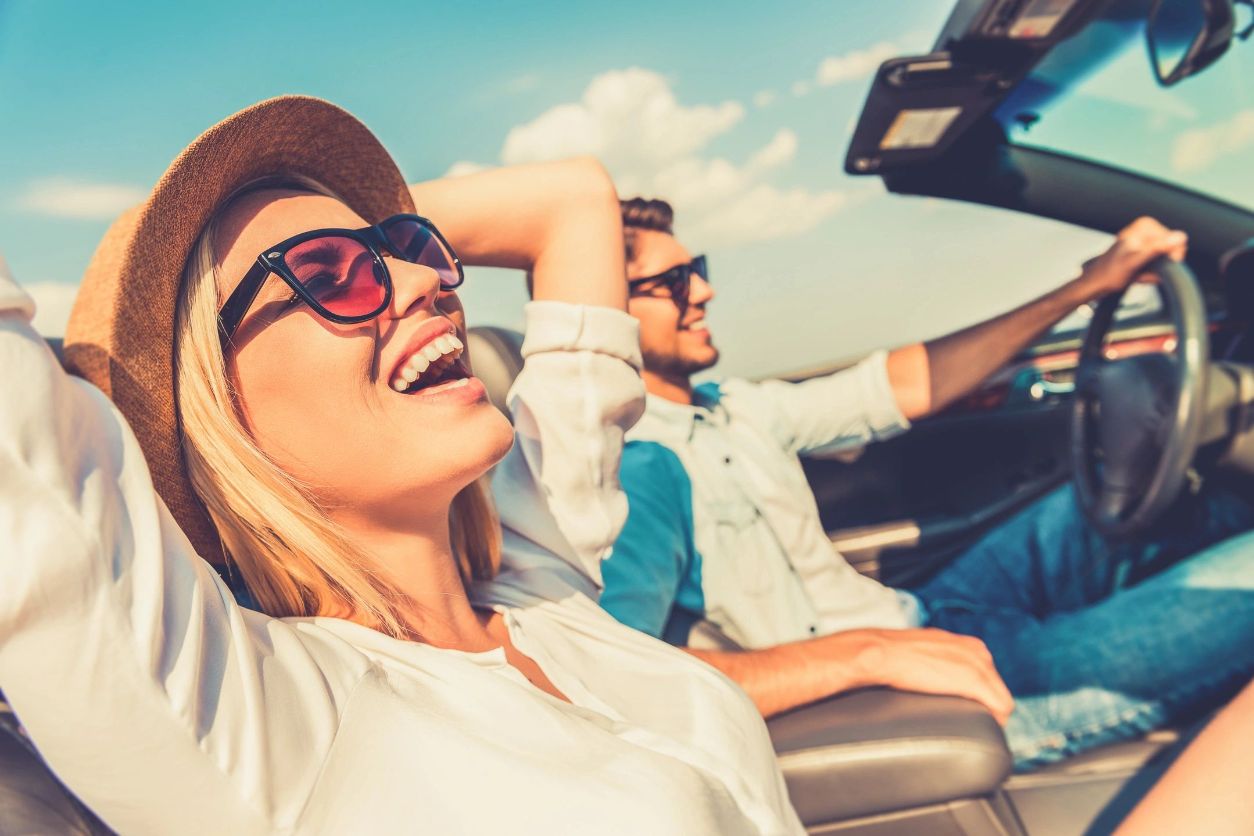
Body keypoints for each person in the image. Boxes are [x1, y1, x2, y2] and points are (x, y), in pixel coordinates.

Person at [0, 98, 802, 834]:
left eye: (407, 244)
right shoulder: (264, 722)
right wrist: (155, 277)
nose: (431, 280)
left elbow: (573, 200)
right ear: (216, 413)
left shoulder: (539, 572)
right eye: (326, 272)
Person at [600, 196, 1254, 769]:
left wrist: (1087, 287)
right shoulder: (636, 471)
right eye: (673, 282)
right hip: (913, 695)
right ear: (604, 310)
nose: (705, 293)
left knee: (1151, 491)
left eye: (699, 272)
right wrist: (862, 658)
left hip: (932, 612)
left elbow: (905, 384)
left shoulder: (729, 407)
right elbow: (627, 683)